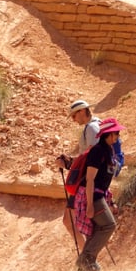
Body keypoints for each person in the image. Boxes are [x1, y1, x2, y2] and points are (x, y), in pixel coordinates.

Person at [75, 116, 124, 271]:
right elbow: (90, 179)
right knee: (109, 225)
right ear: (108, 135)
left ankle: (85, 270)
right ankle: (86, 260)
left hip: (99, 195)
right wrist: (89, 205)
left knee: (96, 230)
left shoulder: (107, 150)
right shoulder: (98, 151)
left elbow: (104, 181)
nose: (117, 137)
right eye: (116, 134)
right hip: (92, 197)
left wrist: (111, 201)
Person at [57, 98, 101, 240]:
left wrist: (70, 164)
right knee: (77, 221)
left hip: (85, 180)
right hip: (87, 179)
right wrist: (70, 160)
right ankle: (88, 258)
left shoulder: (91, 128)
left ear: (82, 111)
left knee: (70, 221)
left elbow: (92, 156)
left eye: (74, 115)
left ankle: (88, 258)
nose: (74, 120)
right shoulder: (96, 125)